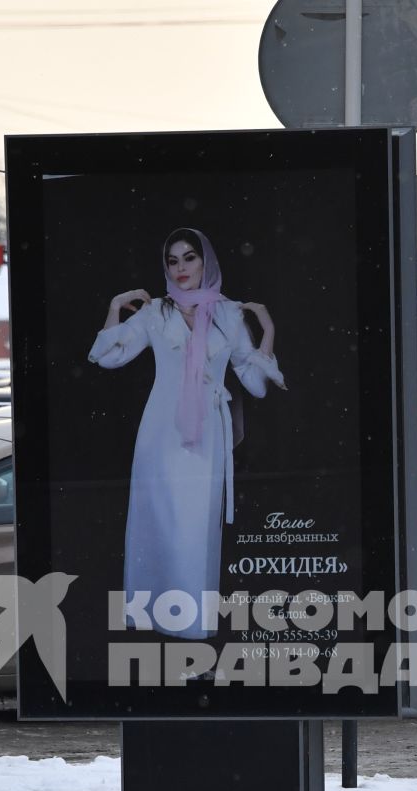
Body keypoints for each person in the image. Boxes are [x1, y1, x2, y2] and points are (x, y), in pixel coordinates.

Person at [89, 227, 286, 638]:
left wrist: (267, 333)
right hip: (160, 435)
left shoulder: (230, 314)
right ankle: (157, 625)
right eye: (172, 260)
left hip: (207, 437)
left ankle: (193, 632)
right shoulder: (157, 312)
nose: (181, 268)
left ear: (206, 261)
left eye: (189, 257)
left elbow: (255, 385)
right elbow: (108, 356)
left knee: (195, 532)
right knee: (158, 527)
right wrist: (114, 307)